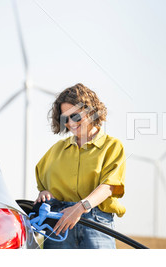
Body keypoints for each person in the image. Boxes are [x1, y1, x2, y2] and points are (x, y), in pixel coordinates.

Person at [34, 83, 126, 249]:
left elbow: (109, 186)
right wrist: (44, 192)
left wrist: (80, 208)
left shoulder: (112, 146)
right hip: (58, 224)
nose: (70, 122)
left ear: (90, 112)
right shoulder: (56, 150)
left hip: (96, 222)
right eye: (65, 118)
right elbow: (42, 183)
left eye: (75, 116)